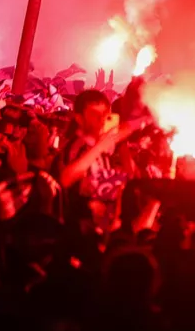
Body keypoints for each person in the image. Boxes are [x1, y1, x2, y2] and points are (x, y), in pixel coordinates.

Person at [58, 90, 140, 233]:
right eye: (94, 114)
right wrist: (103, 144)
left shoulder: (105, 150)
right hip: (79, 232)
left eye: (105, 114)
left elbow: (132, 178)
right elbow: (66, 179)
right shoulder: (78, 146)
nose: (101, 119)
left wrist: (121, 143)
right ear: (79, 119)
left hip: (102, 229)